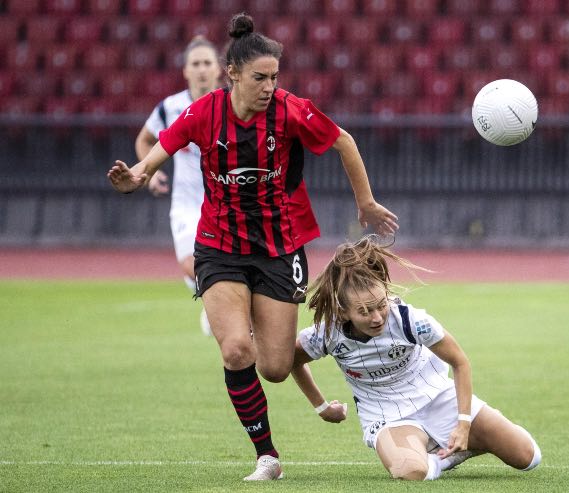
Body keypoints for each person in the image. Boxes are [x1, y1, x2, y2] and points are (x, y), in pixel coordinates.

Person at [107, 13, 399, 481]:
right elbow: (150, 161)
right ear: (234, 75)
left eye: (275, 77)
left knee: (276, 367)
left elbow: (344, 141)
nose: (269, 86)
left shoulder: (290, 110)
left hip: (279, 249)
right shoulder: (203, 113)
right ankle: (267, 456)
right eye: (260, 77)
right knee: (236, 351)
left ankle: (299, 375)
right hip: (218, 246)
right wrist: (132, 179)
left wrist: (364, 202)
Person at [291, 236, 541, 480]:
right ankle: (438, 458)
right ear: (344, 312)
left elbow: (460, 362)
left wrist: (463, 423)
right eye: (364, 311)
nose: (377, 317)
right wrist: (322, 407)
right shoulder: (327, 334)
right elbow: (292, 360)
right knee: (411, 472)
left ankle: (453, 449)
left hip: (438, 397)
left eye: (380, 305)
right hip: (386, 415)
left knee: (528, 457)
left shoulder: (411, 320)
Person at [135, 35, 222, 336]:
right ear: (185, 70)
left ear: (218, 69)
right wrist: (151, 171)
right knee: (192, 265)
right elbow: (145, 139)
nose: (201, 69)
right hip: (186, 204)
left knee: (226, 270)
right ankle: (218, 308)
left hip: (225, 204)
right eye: (195, 64)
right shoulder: (169, 108)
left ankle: (218, 310)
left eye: (207, 63)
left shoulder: (232, 105)